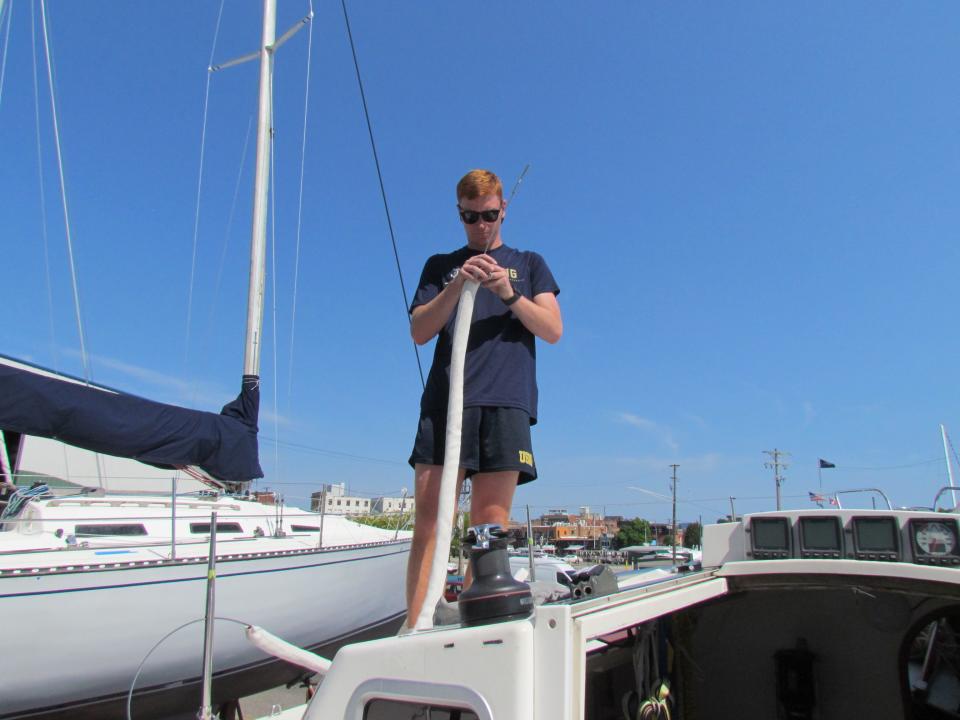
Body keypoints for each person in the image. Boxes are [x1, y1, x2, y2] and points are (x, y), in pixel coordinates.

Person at [406, 168, 562, 627]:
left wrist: (509, 292)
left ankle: (480, 626)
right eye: (470, 218)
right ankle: (414, 626)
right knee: (430, 523)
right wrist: (458, 284)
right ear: (460, 214)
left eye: (489, 215)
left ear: (503, 209)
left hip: (505, 403)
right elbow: (419, 330)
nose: (481, 225)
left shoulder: (530, 263)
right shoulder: (440, 265)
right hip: (445, 405)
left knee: (488, 529)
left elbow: (552, 329)